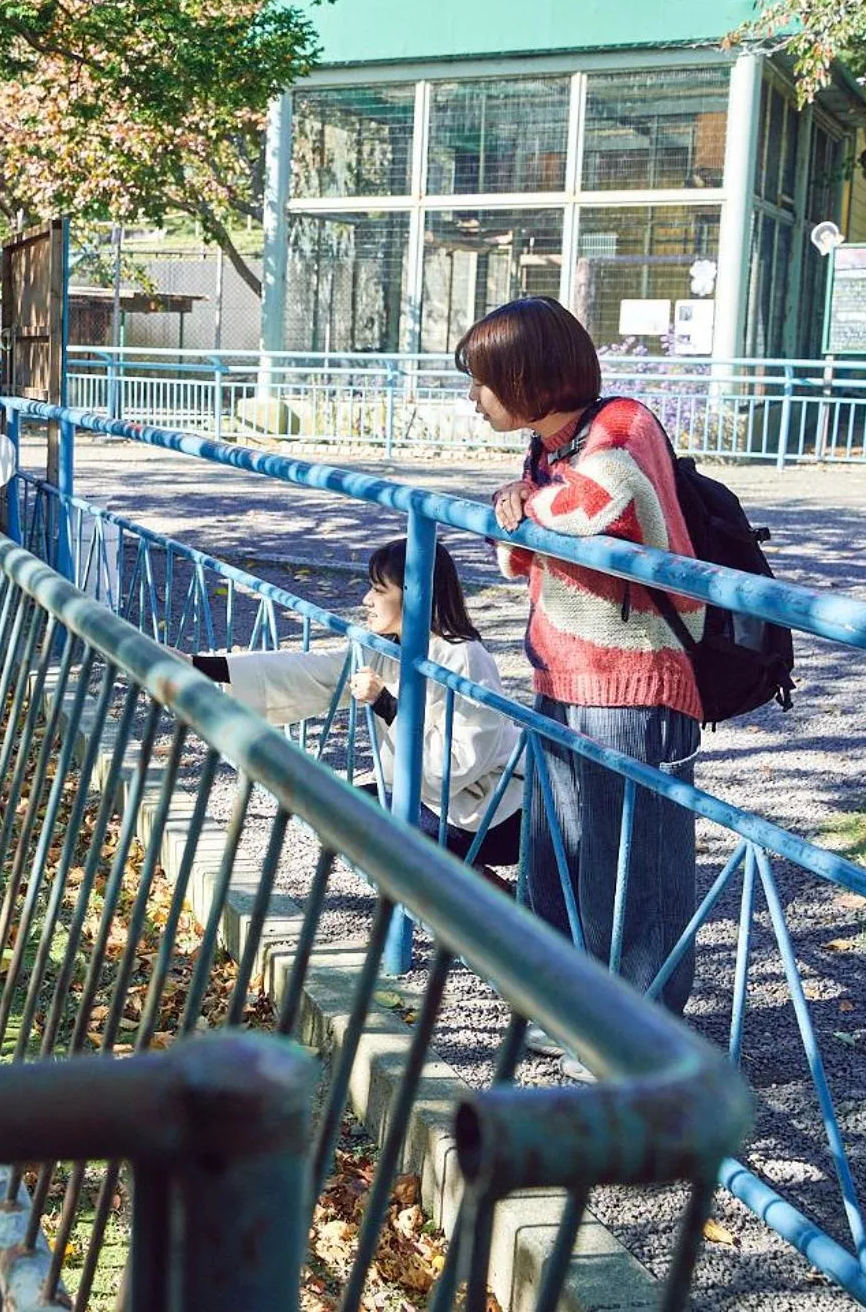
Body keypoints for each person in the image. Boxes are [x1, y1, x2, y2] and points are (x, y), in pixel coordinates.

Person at [459, 296, 703, 1030]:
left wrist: (525, 502)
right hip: (562, 674)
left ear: (529, 377)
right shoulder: (548, 449)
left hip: (634, 680)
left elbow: (600, 499)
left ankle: (637, 1037)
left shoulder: (620, 425)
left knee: (630, 872)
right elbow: (512, 553)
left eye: (485, 381)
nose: (475, 399)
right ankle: (563, 1011)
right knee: (557, 855)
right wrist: (527, 501)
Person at [186, 539, 525, 880]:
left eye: (379, 589)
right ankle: (478, 890)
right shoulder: (389, 647)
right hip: (436, 800)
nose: (367, 599)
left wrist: (387, 704)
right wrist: (199, 666)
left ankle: (478, 901)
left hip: (489, 813)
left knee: (355, 821)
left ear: (414, 593)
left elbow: (456, 765)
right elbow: (310, 672)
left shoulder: (463, 656)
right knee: (332, 809)